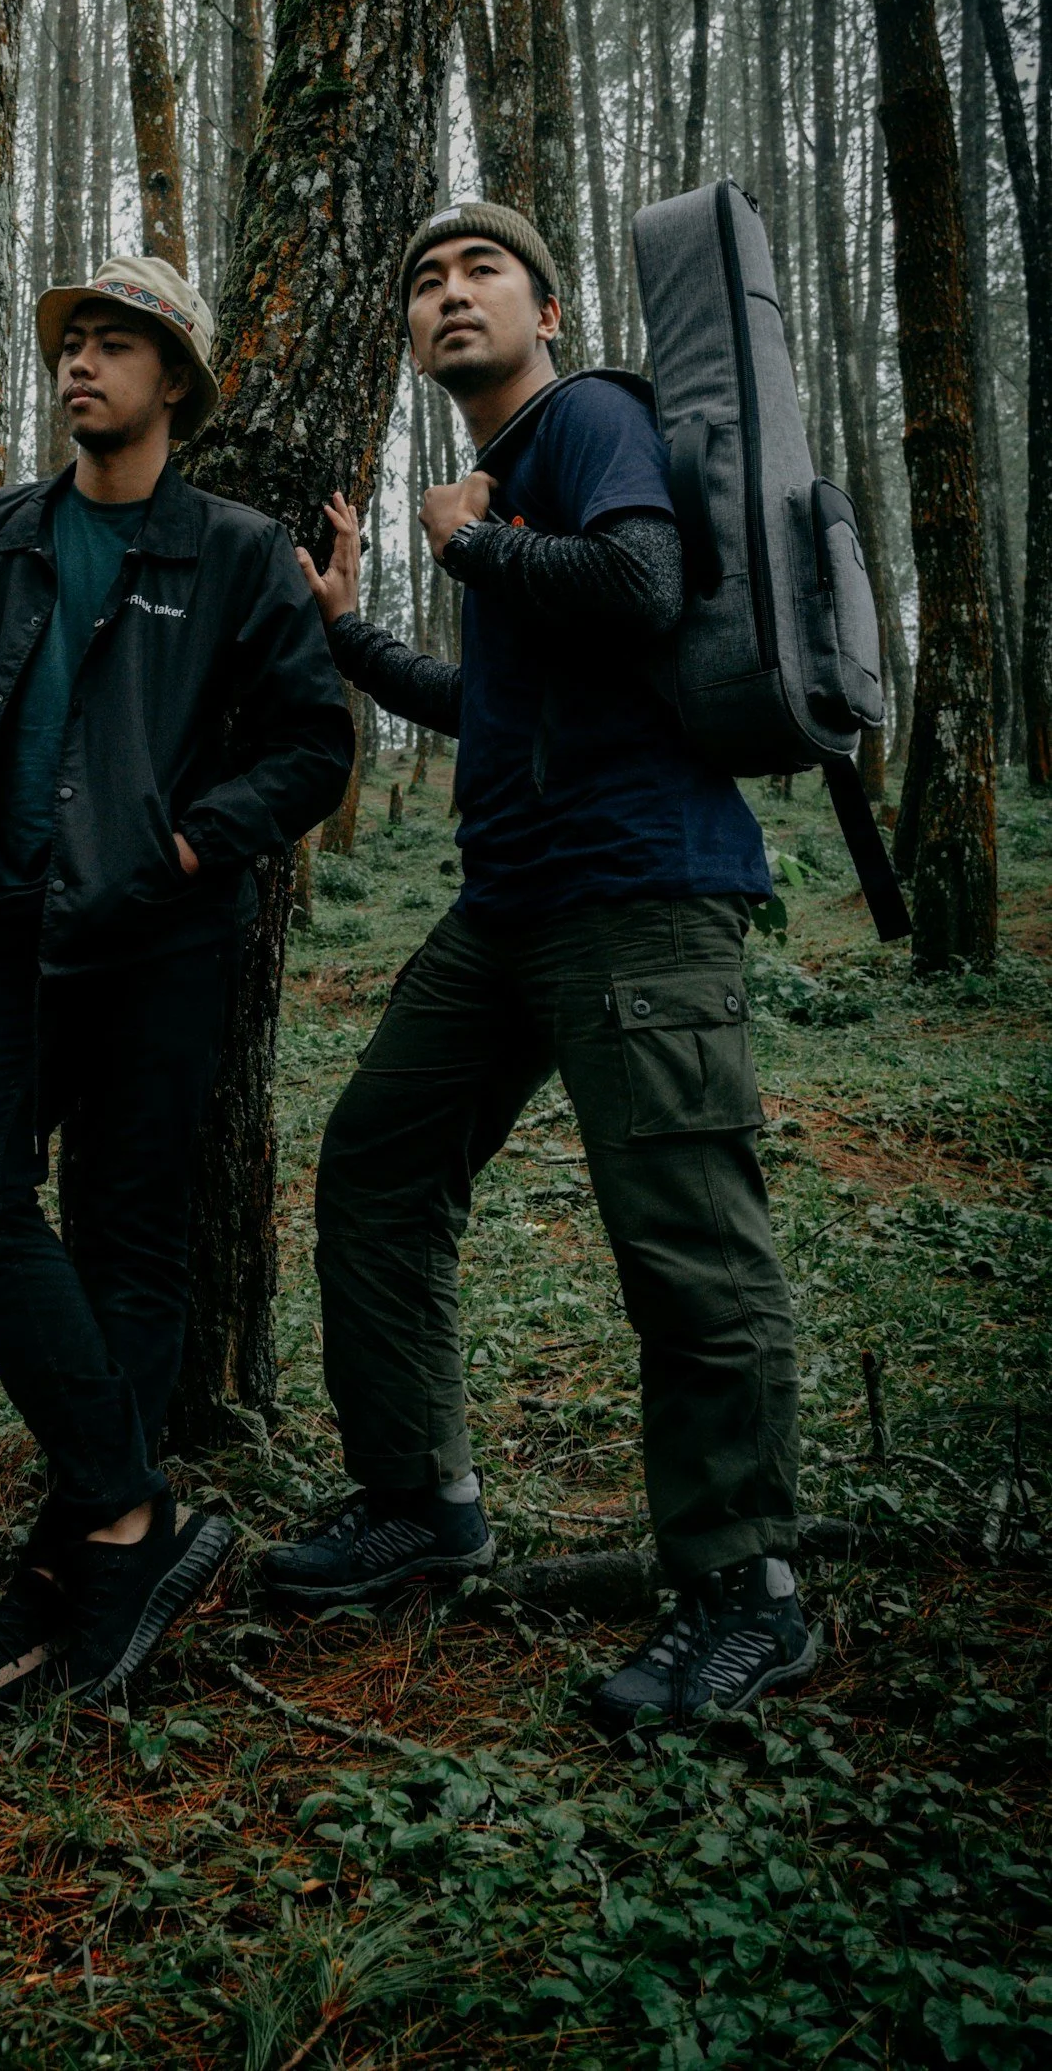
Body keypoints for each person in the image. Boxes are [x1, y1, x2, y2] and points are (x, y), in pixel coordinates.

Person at [264, 200, 816, 1732]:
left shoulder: (588, 423)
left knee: (686, 1249)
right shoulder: (515, 478)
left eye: (479, 271)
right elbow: (496, 701)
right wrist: (350, 632)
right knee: (378, 1167)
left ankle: (744, 1596)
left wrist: (473, 540)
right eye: (423, 278)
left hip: (637, 894)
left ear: (547, 310)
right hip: (509, 904)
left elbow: (639, 585)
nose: (447, 294)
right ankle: (418, 1502)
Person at [0, 256, 353, 1727]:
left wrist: (186, 838)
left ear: (177, 386)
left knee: (131, 1240)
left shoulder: (231, 549)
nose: (80, 365)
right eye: (73, 343)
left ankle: (79, 1550)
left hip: (159, 939)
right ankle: (124, 1512)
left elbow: (309, 745)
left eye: (116, 346)